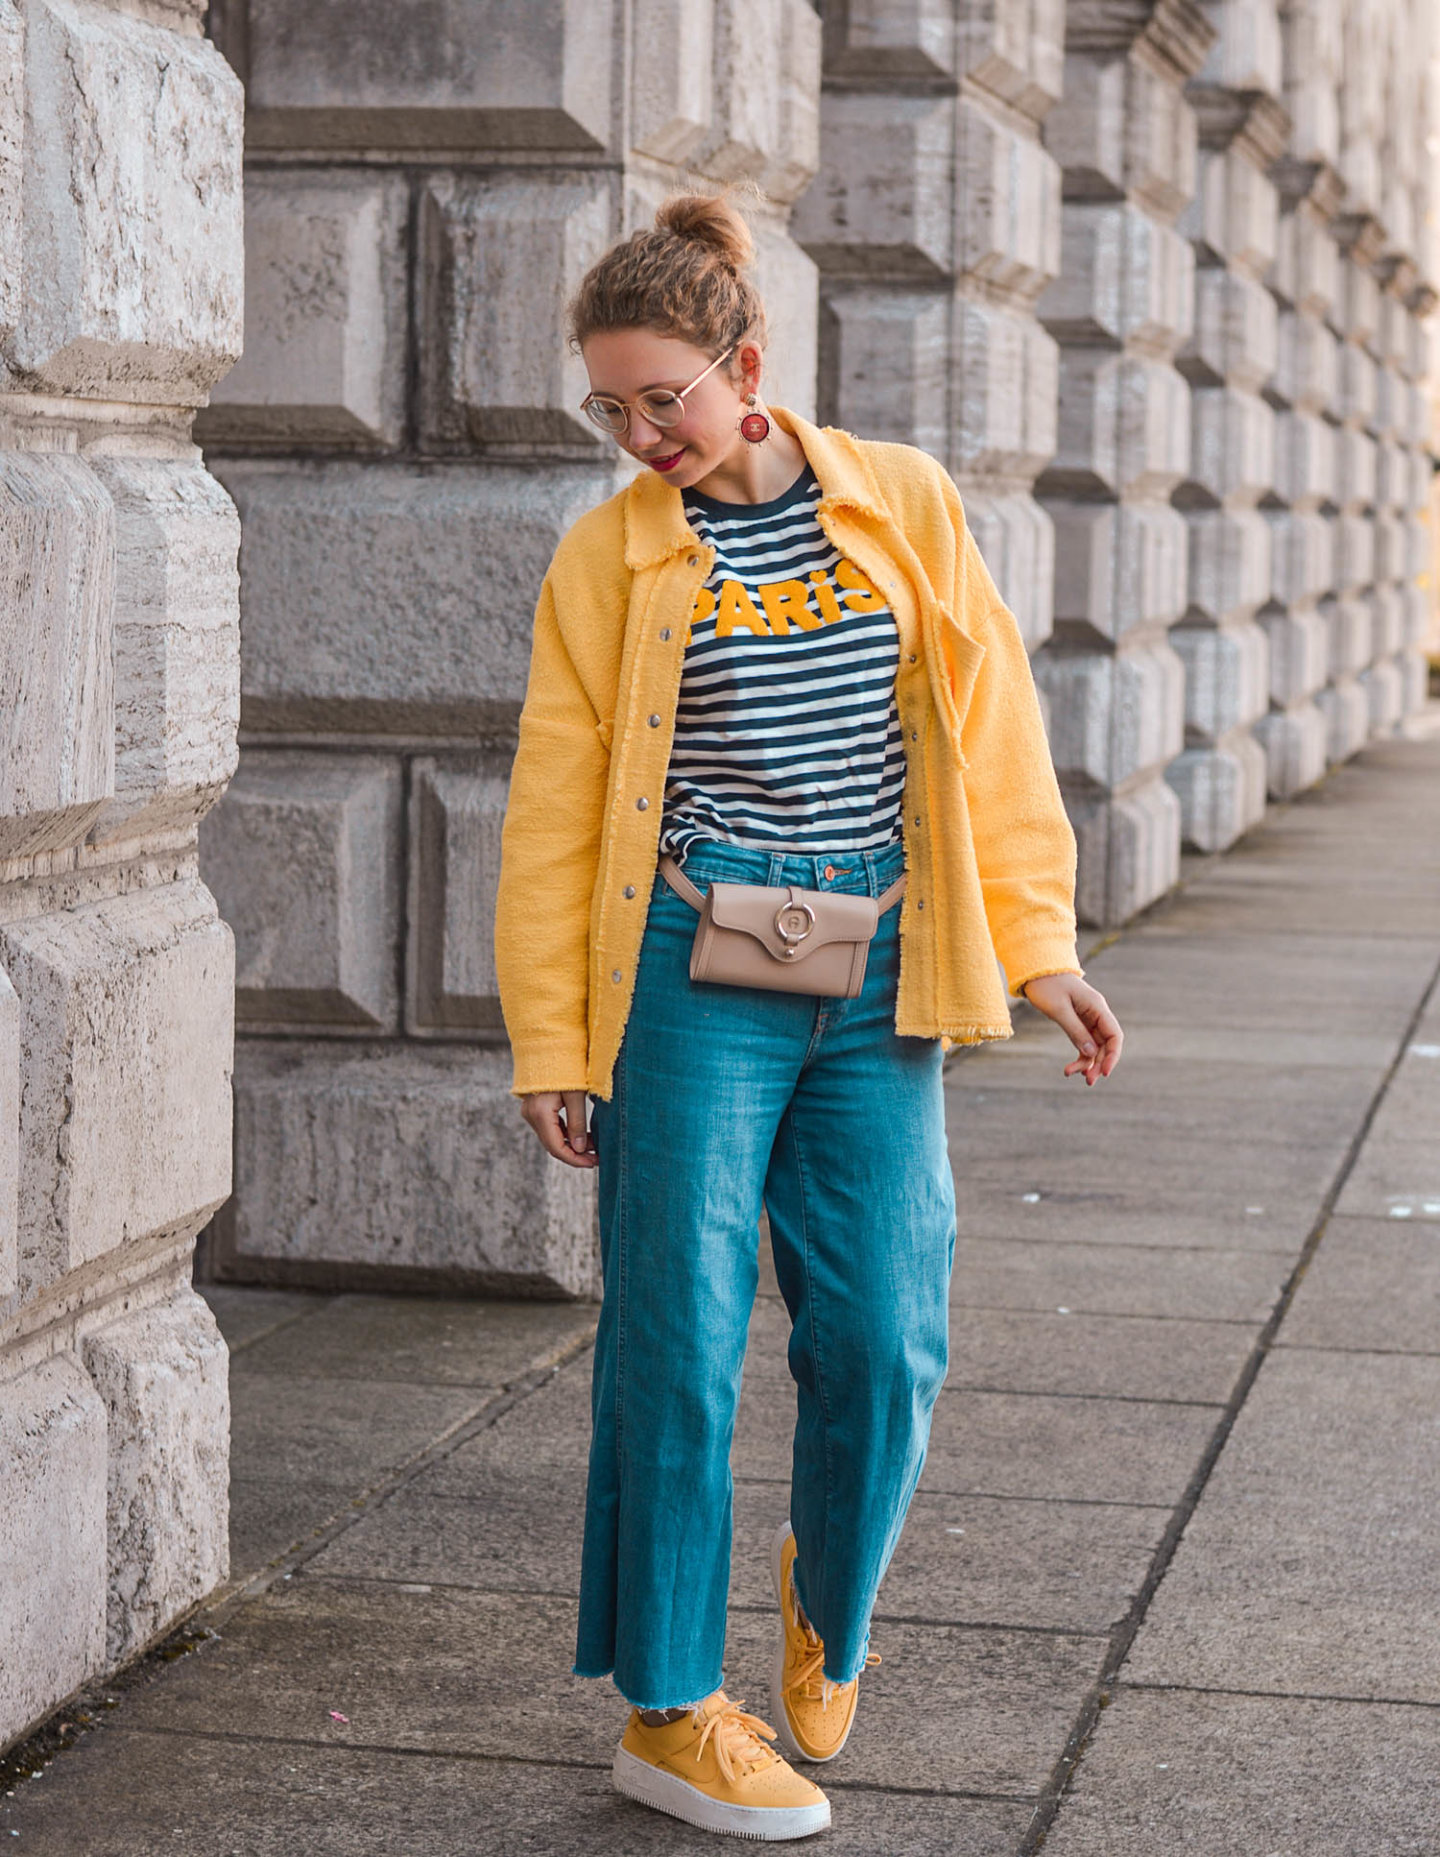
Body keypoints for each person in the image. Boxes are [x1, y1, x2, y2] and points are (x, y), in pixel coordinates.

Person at [494, 191, 1123, 1843]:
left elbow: (992, 739)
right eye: (610, 408)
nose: (640, 436)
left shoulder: (902, 503)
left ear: (746, 367)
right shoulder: (609, 556)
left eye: (665, 400)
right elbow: (557, 805)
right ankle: (670, 1706)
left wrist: (1040, 948)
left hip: (876, 976)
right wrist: (554, 1040)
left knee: (888, 1334)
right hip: (683, 975)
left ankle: (824, 1597)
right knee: (677, 1339)